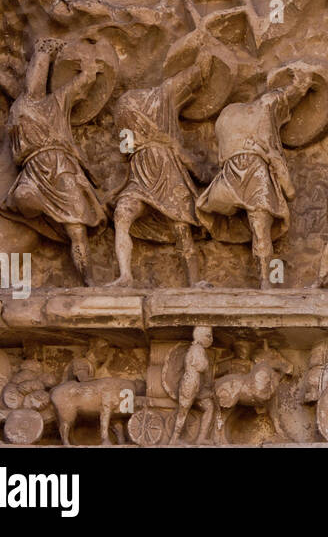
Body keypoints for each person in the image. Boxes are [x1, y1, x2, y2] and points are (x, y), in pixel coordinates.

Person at [0, 39, 106, 285]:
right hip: (33, 169)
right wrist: (41, 50)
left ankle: (88, 281)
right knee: (23, 196)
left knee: (77, 230)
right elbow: (12, 87)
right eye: (34, 69)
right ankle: (40, 213)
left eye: (41, 69)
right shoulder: (19, 106)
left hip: (60, 168)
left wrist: (89, 63)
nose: (36, 75)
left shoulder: (56, 100)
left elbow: (84, 82)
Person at [196, 67, 312, 287]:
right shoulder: (266, 103)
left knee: (255, 225)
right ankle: (265, 281)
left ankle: (265, 281)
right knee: (259, 227)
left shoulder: (227, 114)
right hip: (251, 170)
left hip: (238, 171)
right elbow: (292, 93)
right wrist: (300, 84)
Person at [109, 64, 209, 287]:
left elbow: (194, 73)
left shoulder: (162, 94)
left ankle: (193, 282)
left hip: (167, 171)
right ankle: (125, 276)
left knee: (180, 227)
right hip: (141, 172)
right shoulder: (124, 107)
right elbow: (126, 150)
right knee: (122, 214)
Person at [170, 326, 215, 444]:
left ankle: (201, 438)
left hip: (197, 387)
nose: (211, 339)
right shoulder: (196, 349)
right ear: (200, 336)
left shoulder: (198, 348)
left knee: (209, 406)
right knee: (183, 411)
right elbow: (202, 366)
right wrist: (208, 364)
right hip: (190, 385)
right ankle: (174, 440)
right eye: (208, 335)